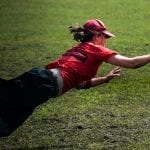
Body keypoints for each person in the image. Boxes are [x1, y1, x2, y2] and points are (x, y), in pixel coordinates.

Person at [0, 19, 149, 137]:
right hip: (44, 84)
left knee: (6, 124)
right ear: (97, 35)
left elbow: (79, 84)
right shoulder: (97, 49)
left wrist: (105, 79)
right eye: (105, 36)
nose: (106, 40)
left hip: (40, 80)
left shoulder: (78, 49)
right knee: (5, 119)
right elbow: (132, 63)